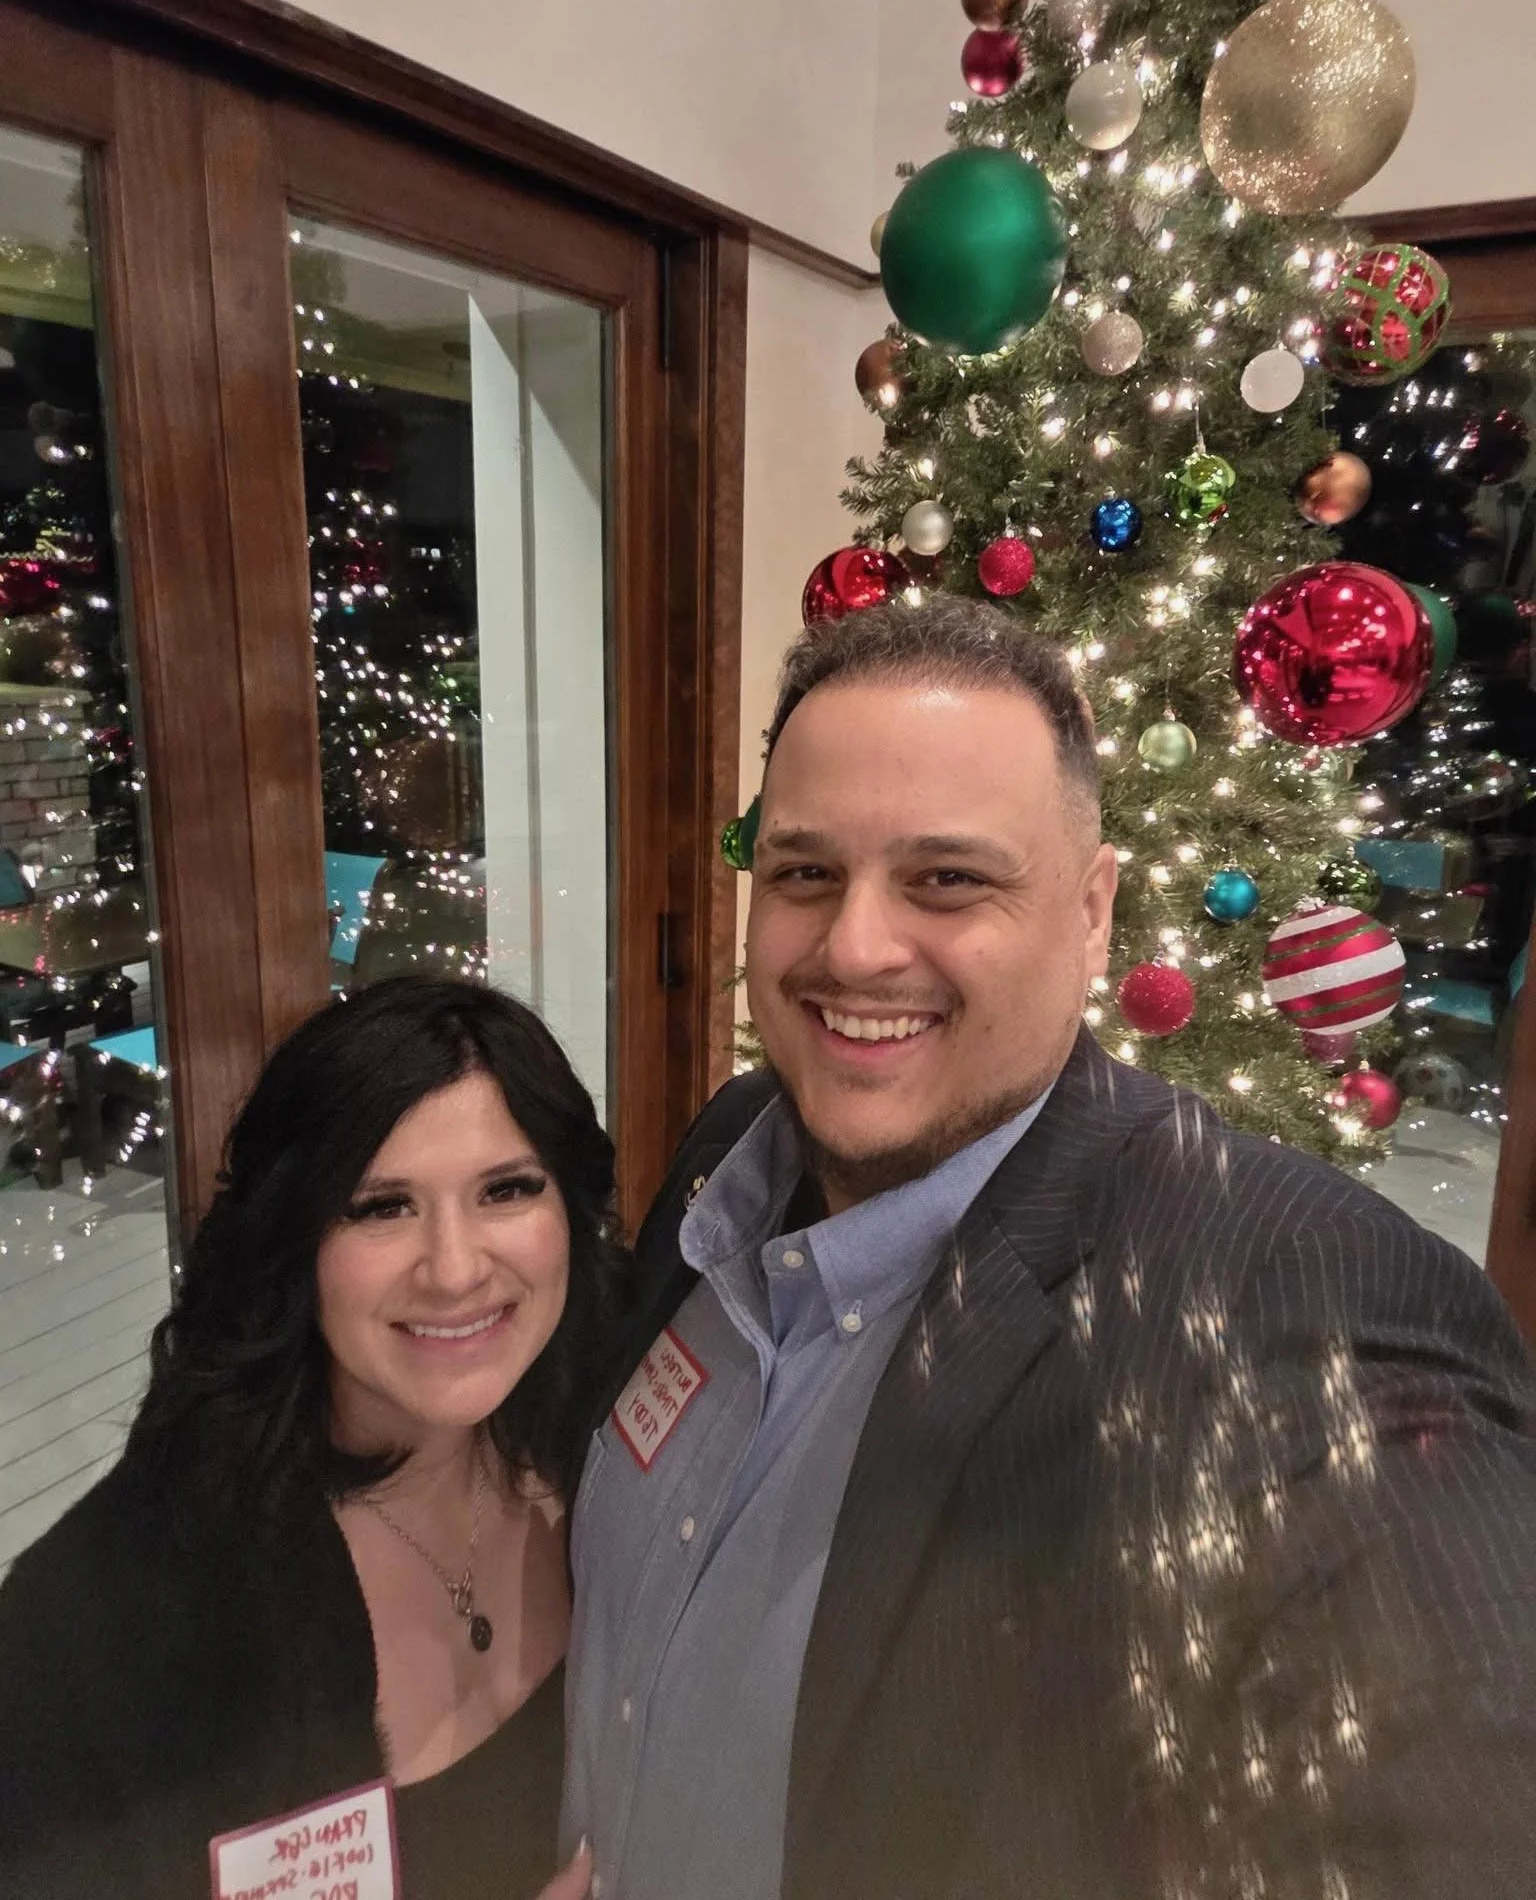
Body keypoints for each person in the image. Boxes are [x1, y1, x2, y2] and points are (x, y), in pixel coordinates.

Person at [563, 596, 1536, 1900]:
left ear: (1091, 914)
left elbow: (1446, 1748)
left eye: (948, 878)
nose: (853, 946)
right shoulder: (736, 1147)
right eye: (804, 872)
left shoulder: (1292, 1292)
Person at [0, 976, 624, 1900]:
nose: (456, 1269)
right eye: (381, 1207)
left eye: (506, 1190)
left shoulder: (614, 1452)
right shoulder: (99, 1620)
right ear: (292, 1239)